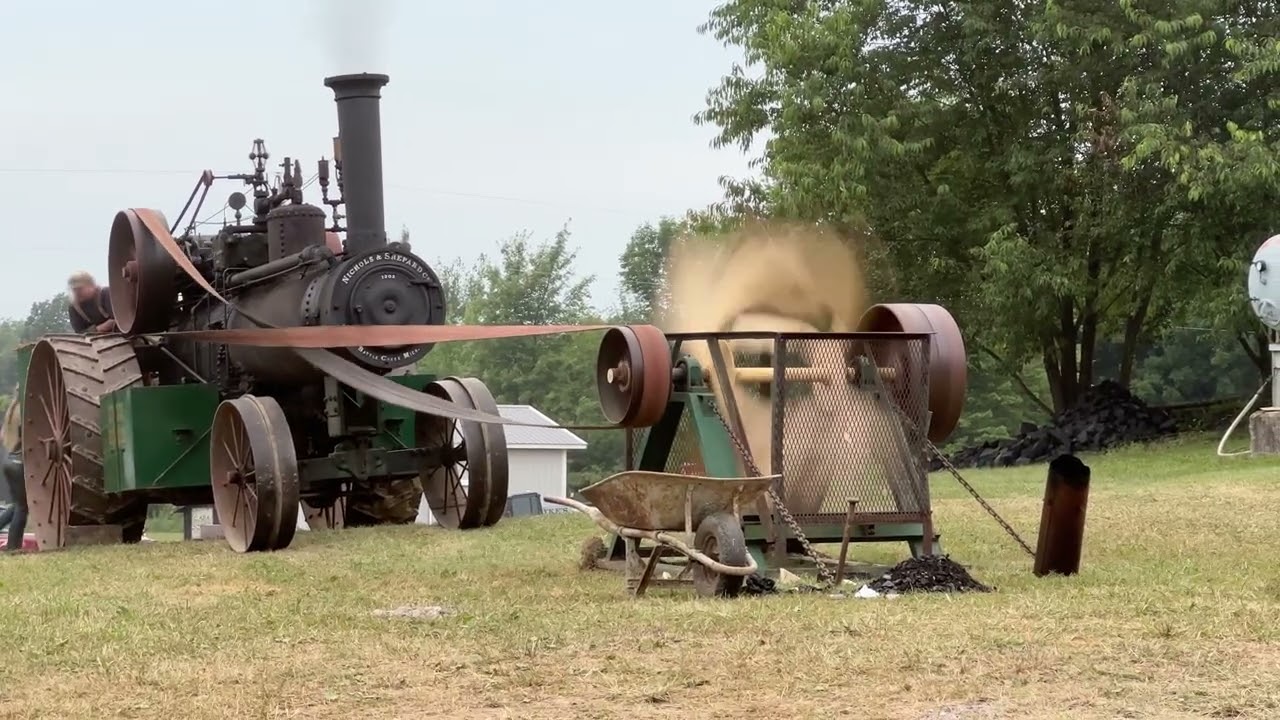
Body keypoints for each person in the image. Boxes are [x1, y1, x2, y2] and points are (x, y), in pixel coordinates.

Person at [0, 392, 26, 552]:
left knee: (18, 504)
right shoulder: (23, 410)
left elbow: (2, 436)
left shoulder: (12, 409)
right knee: (23, 507)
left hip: (8, 460)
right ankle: (13, 547)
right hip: (18, 462)